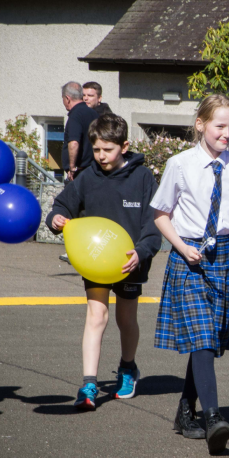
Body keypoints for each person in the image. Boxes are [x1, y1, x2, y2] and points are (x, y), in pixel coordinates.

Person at [150, 93, 229, 455]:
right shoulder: (179, 164)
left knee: (209, 342)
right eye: (220, 126)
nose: (227, 133)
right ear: (200, 125)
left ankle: (185, 410)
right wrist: (181, 246)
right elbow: (161, 214)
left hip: (225, 255)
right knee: (201, 336)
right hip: (189, 256)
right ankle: (213, 418)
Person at [46, 114, 162, 410]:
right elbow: (63, 204)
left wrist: (142, 251)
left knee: (126, 319)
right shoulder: (87, 176)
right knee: (96, 317)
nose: (101, 156)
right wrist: (55, 218)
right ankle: (88, 384)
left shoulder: (143, 178)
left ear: (124, 146)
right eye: (96, 150)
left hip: (129, 262)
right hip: (95, 260)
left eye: (107, 150)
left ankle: (128, 368)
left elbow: (153, 224)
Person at [59, 82, 99, 264]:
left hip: (80, 171)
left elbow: (73, 143)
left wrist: (72, 168)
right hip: (93, 170)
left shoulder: (75, 115)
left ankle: (75, 250)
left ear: (67, 98)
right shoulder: (92, 113)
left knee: (71, 210)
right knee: (88, 212)